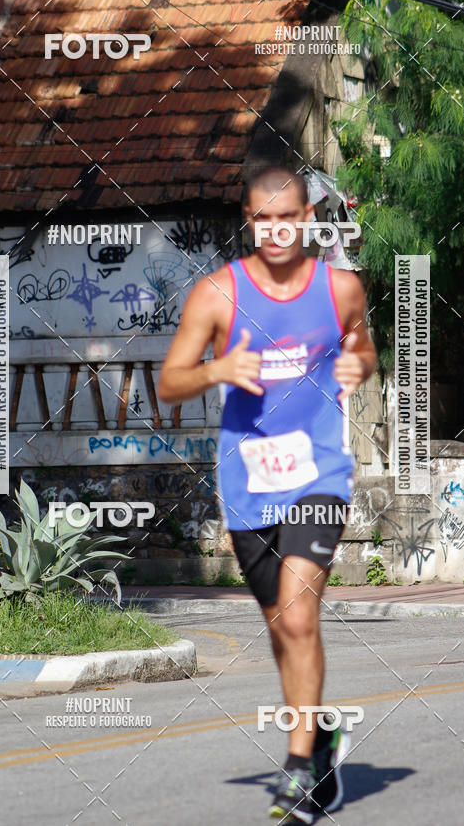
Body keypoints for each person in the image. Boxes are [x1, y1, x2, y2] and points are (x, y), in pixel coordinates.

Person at [158, 166, 377, 822]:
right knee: (283, 629)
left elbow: (365, 347)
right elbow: (169, 382)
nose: (277, 230)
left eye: (289, 218)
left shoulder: (340, 289)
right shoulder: (217, 296)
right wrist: (218, 369)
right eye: (263, 220)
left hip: (319, 475)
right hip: (248, 481)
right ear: (248, 221)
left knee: (301, 615)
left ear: (308, 218)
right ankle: (321, 740)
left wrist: (357, 363)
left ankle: (296, 767)